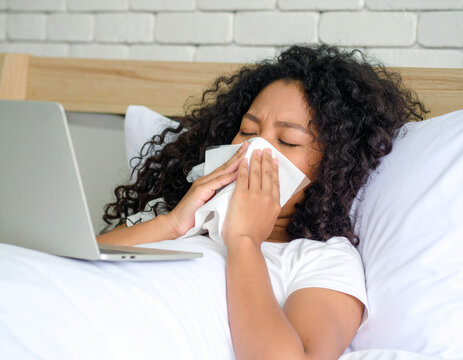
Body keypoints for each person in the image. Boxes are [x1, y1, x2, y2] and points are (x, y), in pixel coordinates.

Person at [97, 44, 426, 359]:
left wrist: (243, 241)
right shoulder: (176, 220)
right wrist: (172, 224)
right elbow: (73, 259)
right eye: (248, 131)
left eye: (287, 140)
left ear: (333, 166)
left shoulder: (321, 259)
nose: (255, 151)